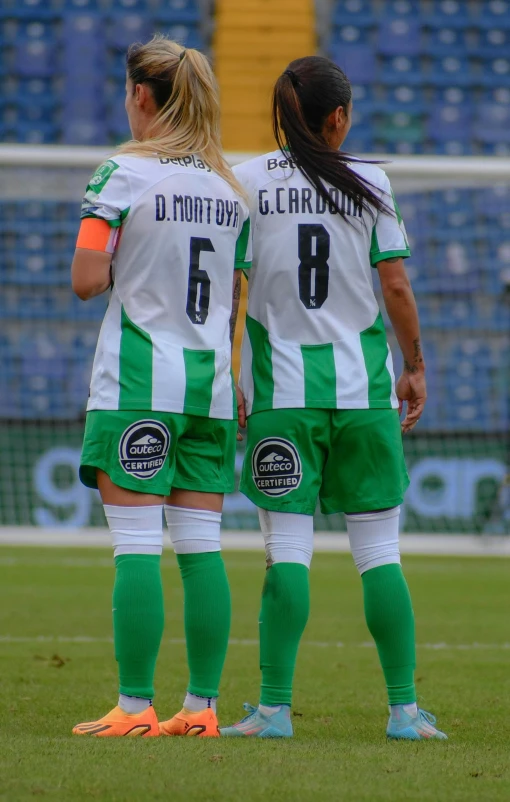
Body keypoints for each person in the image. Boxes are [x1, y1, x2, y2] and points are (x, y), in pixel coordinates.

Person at [221, 56, 447, 741]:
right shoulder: (371, 183)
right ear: (339, 117)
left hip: (281, 398)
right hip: (364, 398)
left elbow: (232, 290)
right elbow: (398, 289)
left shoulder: (248, 182)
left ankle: (274, 711)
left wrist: (226, 375)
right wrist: (414, 365)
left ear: (281, 115)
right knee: (380, 555)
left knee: (286, 553)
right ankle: (404, 711)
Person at [70, 36, 251, 738]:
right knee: (202, 547)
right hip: (209, 385)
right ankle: (202, 708)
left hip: (140, 383)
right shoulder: (227, 187)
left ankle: (135, 705)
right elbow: (237, 292)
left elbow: (87, 279)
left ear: (140, 97)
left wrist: (133, 266)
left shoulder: (123, 173)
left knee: (138, 544)